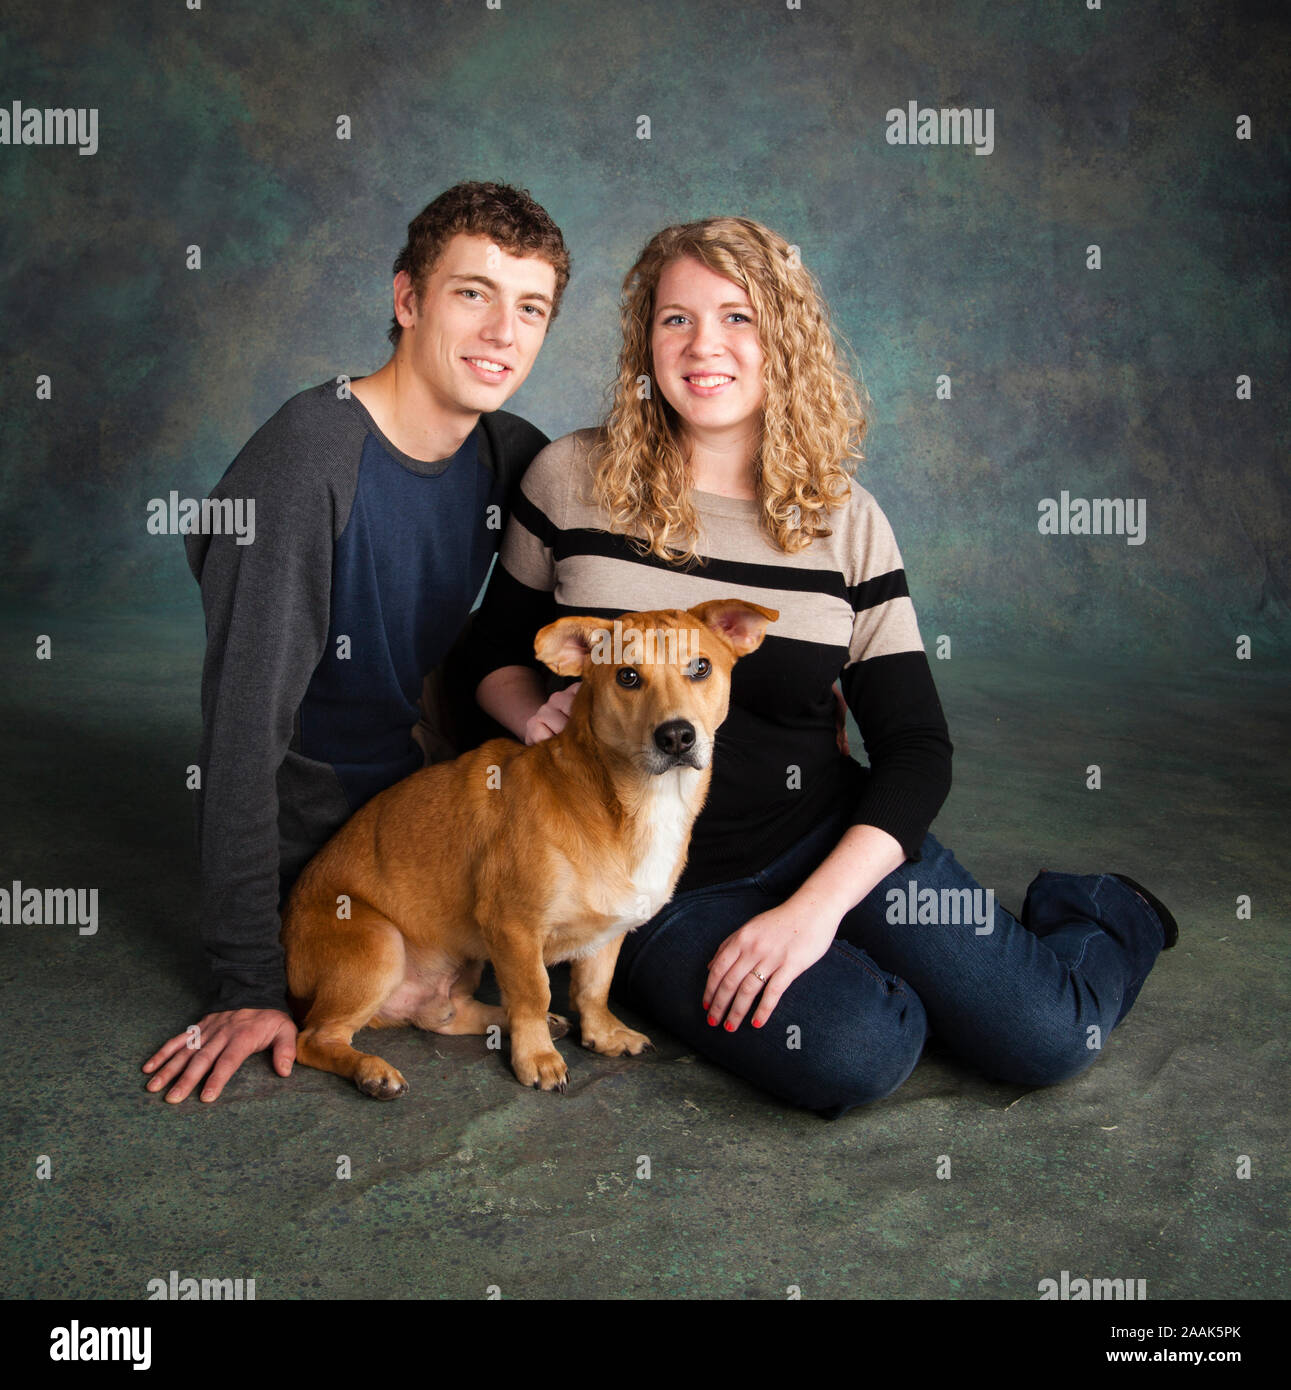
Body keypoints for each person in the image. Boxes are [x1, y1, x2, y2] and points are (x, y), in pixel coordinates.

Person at [463, 215, 1177, 1118]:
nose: (702, 346)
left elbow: (916, 745)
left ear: (783, 339)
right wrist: (529, 713)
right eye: (674, 319)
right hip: (650, 887)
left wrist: (817, 911)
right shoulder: (569, 478)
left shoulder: (842, 520)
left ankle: (1101, 907)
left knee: (1045, 1039)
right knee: (855, 1054)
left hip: (824, 842)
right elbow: (487, 656)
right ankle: (864, 984)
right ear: (644, 340)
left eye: (737, 318)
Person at [143, 182, 571, 1103]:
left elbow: (616, 541)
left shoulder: (510, 454)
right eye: (471, 293)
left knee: (623, 942)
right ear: (407, 299)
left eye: (528, 307)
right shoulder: (305, 465)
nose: (502, 331)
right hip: (330, 848)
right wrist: (252, 986)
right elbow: (239, 740)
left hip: (425, 810)